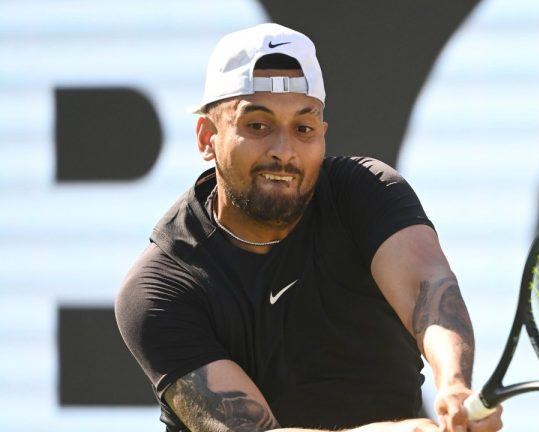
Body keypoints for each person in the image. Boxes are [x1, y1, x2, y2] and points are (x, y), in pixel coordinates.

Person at [115, 23, 503, 432]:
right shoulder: (158, 288)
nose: (284, 151)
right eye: (257, 126)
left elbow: (430, 286)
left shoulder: (366, 191)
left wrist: (454, 386)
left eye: (304, 129)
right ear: (207, 137)